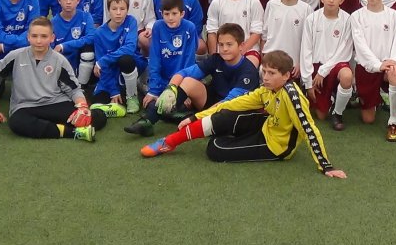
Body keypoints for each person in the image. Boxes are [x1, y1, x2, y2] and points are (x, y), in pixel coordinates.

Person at [139, 50, 347, 179]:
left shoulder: (293, 96)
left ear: (286, 75)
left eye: (272, 73)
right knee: (225, 113)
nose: (266, 77)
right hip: (266, 126)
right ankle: (170, 142)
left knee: (215, 149)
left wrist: (325, 166)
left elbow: (309, 129)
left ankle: (217, 134)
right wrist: (195, 117)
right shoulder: (266, 89)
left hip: (277, 146)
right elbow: (232, 104)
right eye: (264, 71)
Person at [0, 17, 106, 142]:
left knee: (98, 118)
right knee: (16, 123)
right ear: (28, 37)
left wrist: (82, 107)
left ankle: (60, 126)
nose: (39, 41)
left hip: (55, 103)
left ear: (52, 38)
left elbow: (74, 89)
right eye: (34, 36)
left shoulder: (60, 60)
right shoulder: (15, 56)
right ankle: (73, 132)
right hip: (25, 107)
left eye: (44, 36)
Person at [124, 0, 198, 136]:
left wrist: (186, 90)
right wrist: (154, 90)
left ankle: (147, 121)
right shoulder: (158, 26)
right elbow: (155, 59)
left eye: (174, 14)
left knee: (180, 103)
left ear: (182, 14)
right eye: (166, 14)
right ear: (161, 13)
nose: (170, 17)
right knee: (151, 102)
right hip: (163, 81)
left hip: (182, 82)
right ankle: (167, 115)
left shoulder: (190, 28)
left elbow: (189, 62)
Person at [151, 23, 259, 113]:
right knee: (188, 81)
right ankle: (152, 117)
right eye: (221, 45)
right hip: (212, 102)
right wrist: (170, 89)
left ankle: (189, 116)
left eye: (229, 44)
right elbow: (184, 73)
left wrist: (197, 118)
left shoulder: (249, 71)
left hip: (231, 109)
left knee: (224, 111)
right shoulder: (216, 59)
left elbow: (228, 102)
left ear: (241, 46)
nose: (224, 49)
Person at [349, 0, 396, 141]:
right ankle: (376, 98)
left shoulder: (394, 15)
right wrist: (376, 65)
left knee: (395, 72)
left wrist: (393, 61)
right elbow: (360, 46)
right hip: (367, 67)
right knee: (368, 119)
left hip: (388, 65)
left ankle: (394, 121)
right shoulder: (356, 16)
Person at [300, 0, 354, 129]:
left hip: (337, 65)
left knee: (347, 76)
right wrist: (308, 83)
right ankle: (331, 97)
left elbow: (344, 51)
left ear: (342, 0)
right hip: (317, 67)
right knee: (321, 115)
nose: (331, 0)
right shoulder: (312, 19)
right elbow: (306, 51)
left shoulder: (348, 20)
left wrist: (323, 71)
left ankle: (337, 113)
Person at [90, 0, 146, 114]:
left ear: (127, 10)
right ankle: (117, 104)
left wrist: (103, 60)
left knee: (125, 59)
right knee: (97, 104)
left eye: (122, 9)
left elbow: (130, 48)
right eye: (114, 9)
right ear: (108, 10)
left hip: (131, 64)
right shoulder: (99, 33)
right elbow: (103, 68)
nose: (118, 13)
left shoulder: (131, 21)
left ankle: (132, 97)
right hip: (111, 74)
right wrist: (113, 90)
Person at [205, 0, 264, 65]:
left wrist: (239, 52)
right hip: (224, 51)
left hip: (248, 50)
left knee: (249, 65)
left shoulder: (254, 2)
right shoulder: (216, 3)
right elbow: (212, 33)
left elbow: (256, 33)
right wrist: (214, 58)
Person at [261, 0, 312, 77]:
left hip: (293, 64)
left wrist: (300, 62)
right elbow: (264, 35)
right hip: (270, 60)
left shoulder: (306, 9)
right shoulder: (271, 5)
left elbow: (308, 41)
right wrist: (263, 57)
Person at [51, 0, 97, 88]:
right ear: (58, 0)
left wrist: (64, 46)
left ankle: (81, 87)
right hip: (64, 64)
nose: (68, 2)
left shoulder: (86, 17)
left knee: (88, 50)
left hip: (85, 65)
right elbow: (51, 50)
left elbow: (91, 37)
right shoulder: (52, 23)